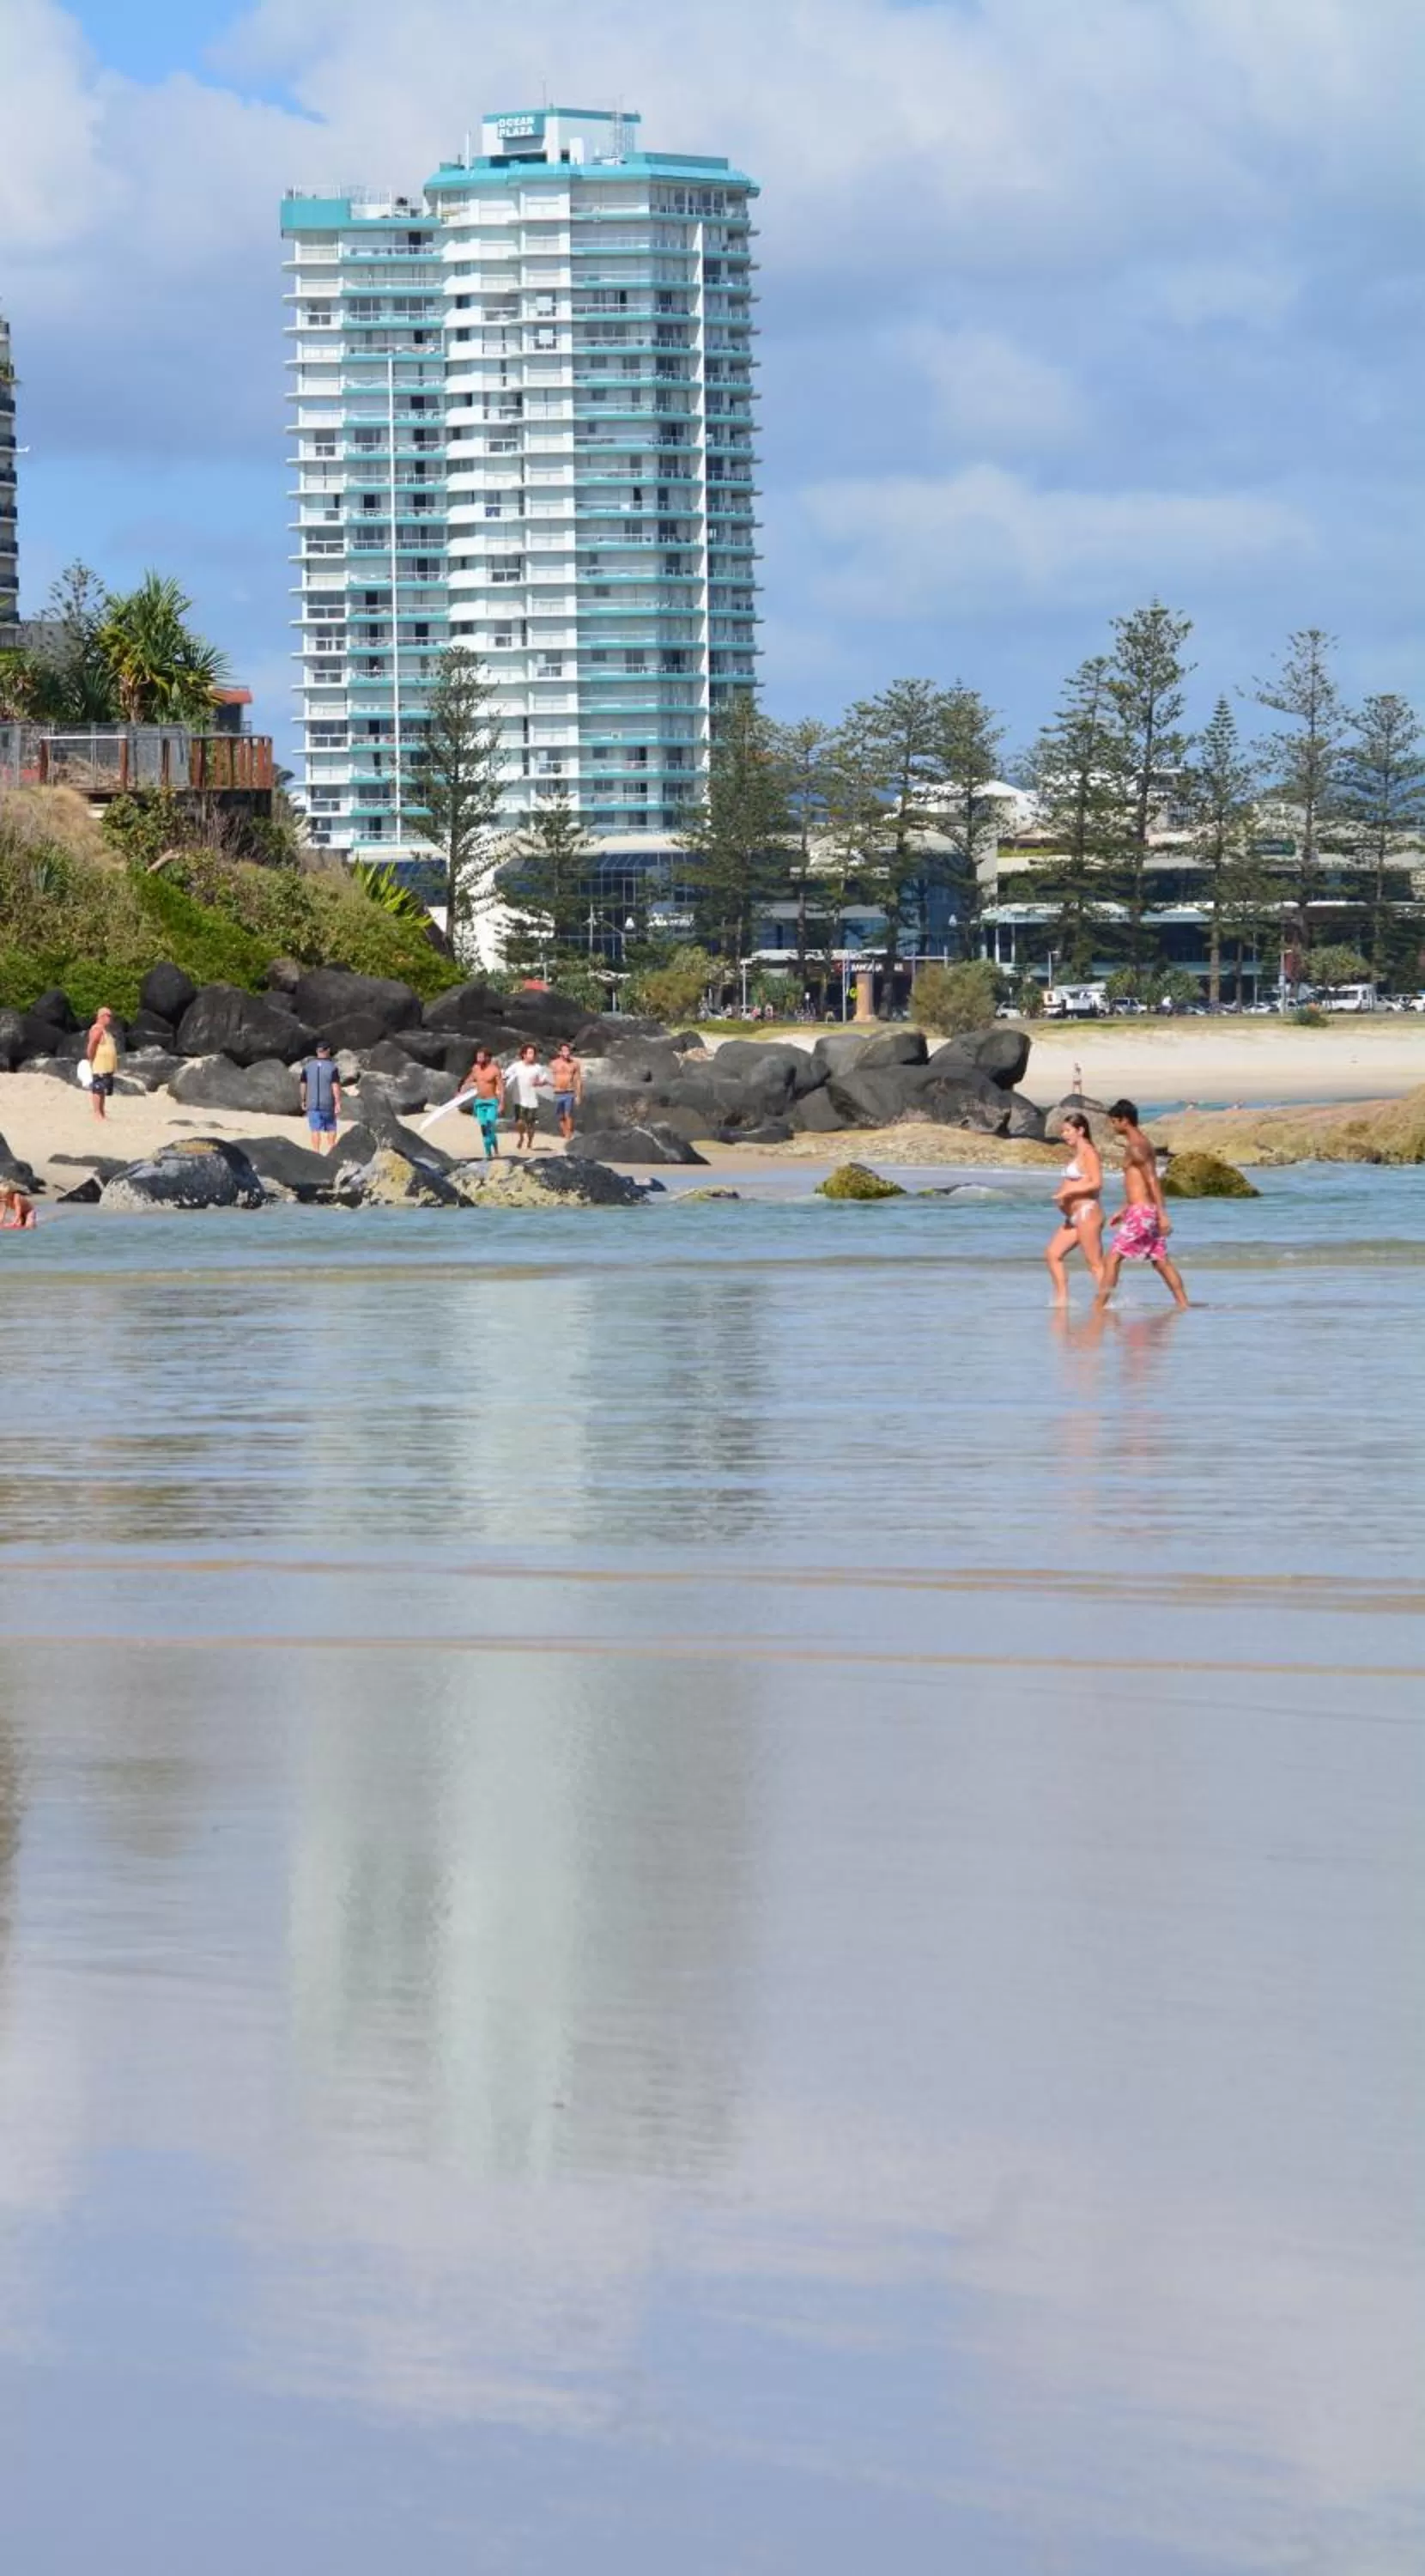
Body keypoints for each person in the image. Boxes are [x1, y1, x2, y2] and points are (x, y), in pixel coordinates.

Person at [1095, 1099, 1190, 1309]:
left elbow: (1152, 1180)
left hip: (1142, 1213)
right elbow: (1136, 1182)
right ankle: (1183, 1305)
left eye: (1114, 1122)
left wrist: (1162, 1214)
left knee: (1112, 1259)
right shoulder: (1140, 1143)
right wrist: (1124, 1208)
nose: (1113, 1126)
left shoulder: (1137, 1146)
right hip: (1141, 1210)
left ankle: (1098, 1307)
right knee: (1160, 1261)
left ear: (1124, 1121)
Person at [1044, 1109, 1105, 1303]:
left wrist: (1067, 1193)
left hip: (1087, 1212)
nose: (1064, 1135)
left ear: (1080, 1130)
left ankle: (1107, 1302)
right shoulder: (1078, 1153)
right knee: (1053, 1254)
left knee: (1094, 1262)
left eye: (1068, 1131)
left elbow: (1096, 1183)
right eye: (1063, 1132)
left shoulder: (1089, 1152)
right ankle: (1062, 1300)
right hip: (1073, 1217)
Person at [458, 1046, 505, 1160]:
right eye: (477, 1056)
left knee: (489, 1125)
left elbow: (501, 1088)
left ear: (488, 1058)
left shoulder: (495, 1070)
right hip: (479, 1103)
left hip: (491, 1102)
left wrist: (502, 1103)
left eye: (481, 1056)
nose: (478, 1058)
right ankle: (488, 1154)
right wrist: (460, 1092)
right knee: (483, 1128)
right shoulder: (476, 1068)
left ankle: (496, 1150)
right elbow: (469, 1080)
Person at [503, 1042, 549, 1152]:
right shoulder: (516, 1066)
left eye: (533, 1053)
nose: (531, 1055)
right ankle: (521, 1137)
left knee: (531, 1124)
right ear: (524, 1054)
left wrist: (538, 1083)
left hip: (532, 1099)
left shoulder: (538, 1068)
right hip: (518, 1098)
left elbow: (544, 1081)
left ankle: (530, 1142)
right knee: (519, 1122)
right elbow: (505, 1076)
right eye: (529, 1053)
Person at [299, 1041, 343, 1152]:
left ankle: (316, 1152)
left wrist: (303, 1099)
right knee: (331, 1127)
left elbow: (303, 1084)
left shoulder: (308, 1067)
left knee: (315, 1129)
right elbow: (335, 1086)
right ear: (328, 1051)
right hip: (327, 1103)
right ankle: (332, 1149)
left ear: (317, 1051)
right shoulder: (332, 1068)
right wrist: (337, 1102)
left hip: (312, 1103)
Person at [86, 1006, 119, 1121]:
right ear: (101, 1017)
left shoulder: (105, 1031)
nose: (110, 1018)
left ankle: (102, 1112)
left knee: (103, 1090)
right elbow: (92, 1043)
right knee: (98, 1089)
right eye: (108, 1016)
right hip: (99, 1064)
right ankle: (96, 1113)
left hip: (106, 1066)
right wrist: (90, 1057)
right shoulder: (97, 1029)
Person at [547, 1040, 583, 1145]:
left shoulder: (574, 1064)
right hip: (558, 1092)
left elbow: (578, 1080)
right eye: (564, 1051)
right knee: (560, 1116)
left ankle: (568, 1136)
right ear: (560, 1052)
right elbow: (548, 1078)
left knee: (568, 1114)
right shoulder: (553, 1064)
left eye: (568, 1051)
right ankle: (566, 1132)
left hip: (569, 1092)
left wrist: (578, 1095)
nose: (567, 1053)